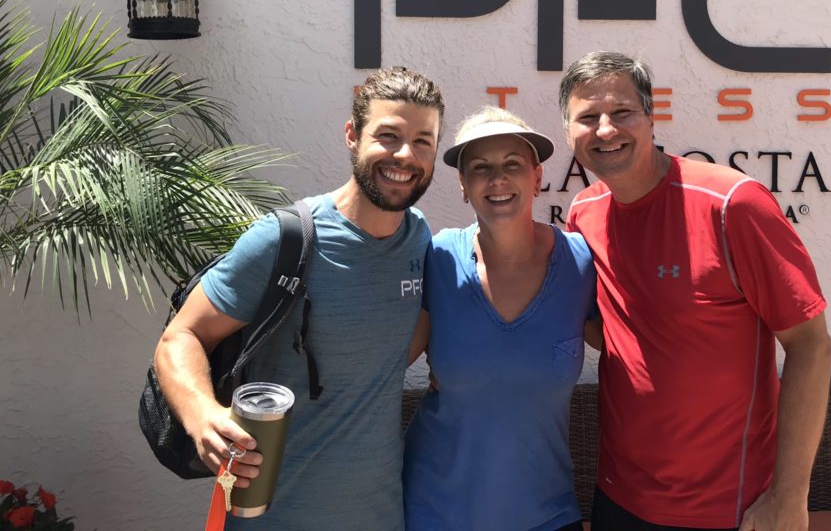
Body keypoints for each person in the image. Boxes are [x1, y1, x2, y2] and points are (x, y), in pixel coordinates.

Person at [154, 66, 444, 531]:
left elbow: (389, 351)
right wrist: (202, 414)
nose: (405, 155)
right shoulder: (284, 240)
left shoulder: (418, 238)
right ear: (352, 135)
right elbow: (181, 336)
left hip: (380, 515)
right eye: (388, 135)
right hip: (271, 514)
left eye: (423, 141)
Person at [559, 52, 831, 531]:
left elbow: (812, 345)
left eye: (622, 112)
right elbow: (607, 328)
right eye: (587, 117)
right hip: (619, 496)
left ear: (651, 117)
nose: (606, 129)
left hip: (728, 507)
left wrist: (790, 497)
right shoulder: (585, 211)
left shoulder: (733, 205)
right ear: (568, 132)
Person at [403, 106, 599, 531]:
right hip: (435, 513)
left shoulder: (580, 262)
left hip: (547, 514)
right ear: (463, 184)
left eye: (513, 164)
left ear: (537, 176)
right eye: (480, 168)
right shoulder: (436, 260)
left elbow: (636, 341)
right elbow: (387, 361)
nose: (498, 179)